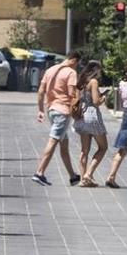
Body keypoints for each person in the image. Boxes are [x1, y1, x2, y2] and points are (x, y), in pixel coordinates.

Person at [32, 51, 82, 187]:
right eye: (77, 64)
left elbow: (41, 90)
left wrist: (41, 109)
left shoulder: (50, 70)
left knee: (63, 144)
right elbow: (72, 94)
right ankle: (39, 172)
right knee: (53, 141)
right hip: (63, 112)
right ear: (74, 60)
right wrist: (78, 110)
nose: (76, 66)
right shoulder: (71, 73)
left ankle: (73, 176)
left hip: (52, 110)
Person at [72, 60, 108, 187]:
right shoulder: (93, 82)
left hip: (81, 117)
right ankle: (88, 174)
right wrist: (103, 98)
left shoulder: (81, 82)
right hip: (92, 117)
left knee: (84, 150)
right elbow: (96, 102)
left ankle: (83, 179)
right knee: (103, 147)